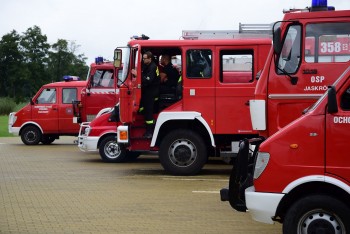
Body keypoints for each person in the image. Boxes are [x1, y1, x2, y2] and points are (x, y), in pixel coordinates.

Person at [131, 51, 160, 138]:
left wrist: (138, 75)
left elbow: (148, 80)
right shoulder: (147, 65)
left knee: (148, 113)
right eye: (142, 58)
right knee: (142, 109)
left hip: (151, 92)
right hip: (147, 91)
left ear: (150, 59)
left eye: (144, 58)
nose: (143, 60)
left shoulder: (152, 67)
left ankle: (149, 132)